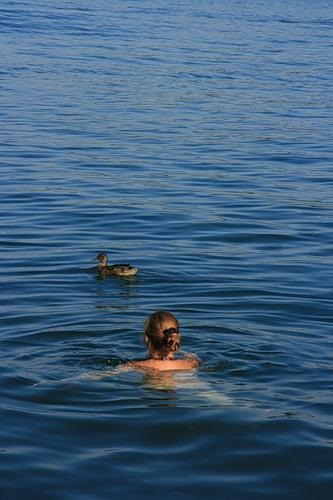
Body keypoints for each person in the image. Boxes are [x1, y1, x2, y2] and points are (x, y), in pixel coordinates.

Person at [125, 311, 201, 371]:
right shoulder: (191, 362)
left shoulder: (136, 365)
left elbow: (114, 373)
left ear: (146, 338)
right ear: (177, 336)